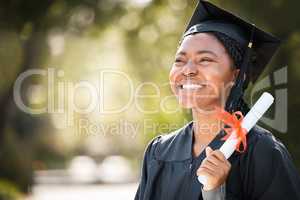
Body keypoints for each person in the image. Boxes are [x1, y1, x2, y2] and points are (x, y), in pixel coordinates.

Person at [134, 0, 300, 200]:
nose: (188, 70)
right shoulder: (158, 152)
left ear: (237, 76)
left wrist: (215, 192)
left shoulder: (262, 152)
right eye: (180, 60)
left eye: (205, 59)